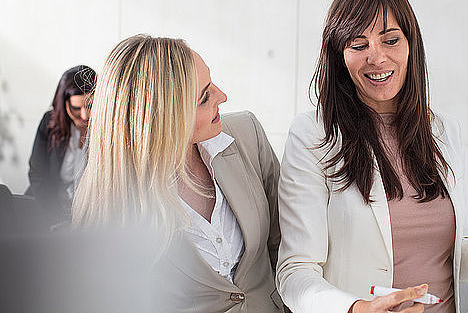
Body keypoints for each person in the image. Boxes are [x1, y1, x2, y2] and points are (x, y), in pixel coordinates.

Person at [276, 0, 468, 313]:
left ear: (410, 45)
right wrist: (358, 309)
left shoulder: (444, 130)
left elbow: (438, 252)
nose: (376, 58)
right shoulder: (313, 135)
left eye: (390, 40)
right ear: (339, 56)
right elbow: (295, 273)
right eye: (358, 45)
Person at [71, 35, 284, 313]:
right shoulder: (113, 201)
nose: (222, 96)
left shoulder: (247, 135)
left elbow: (283, 242)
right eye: (205, 97)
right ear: (165, 119)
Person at [27, 65, 96, 224]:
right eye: (76, 108)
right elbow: (37, 174)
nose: (85, 116)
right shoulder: (49, 124)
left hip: (88, 217)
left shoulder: (106, 130)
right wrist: (56, 216)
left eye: (90, 106)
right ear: (64, 104)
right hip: (47, 209)